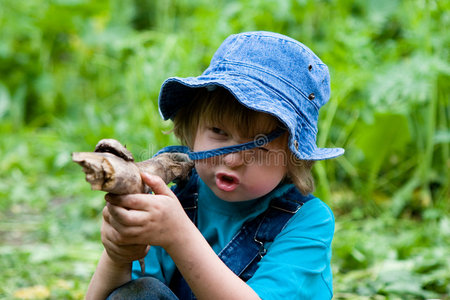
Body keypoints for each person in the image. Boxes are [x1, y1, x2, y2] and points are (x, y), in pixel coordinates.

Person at [86, 31, 344, 300]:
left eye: (259, 146)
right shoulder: (173, 199)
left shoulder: (307, 220)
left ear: (293, 157)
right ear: (192, 129)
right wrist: (117, 255)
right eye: (219, 131)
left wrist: (179, 236)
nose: (232, 160)